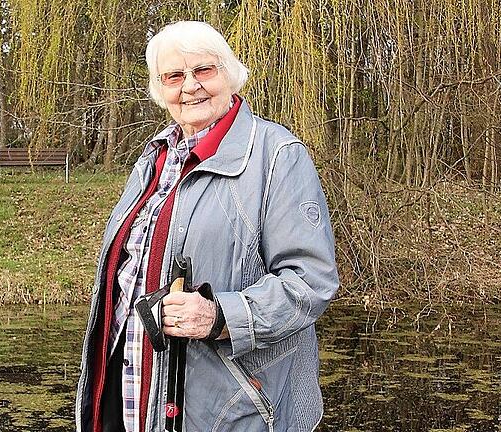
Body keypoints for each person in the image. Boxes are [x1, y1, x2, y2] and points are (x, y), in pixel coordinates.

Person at [75, 21, 339, 432]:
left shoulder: (277, 156)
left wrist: (221, 317)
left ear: (230, 75)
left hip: (225, 408)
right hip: (130, 394)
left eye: (205, 71)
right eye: (175, 76)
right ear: (160, 90)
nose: (191, 86)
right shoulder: (154, 158)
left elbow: (311, 282)